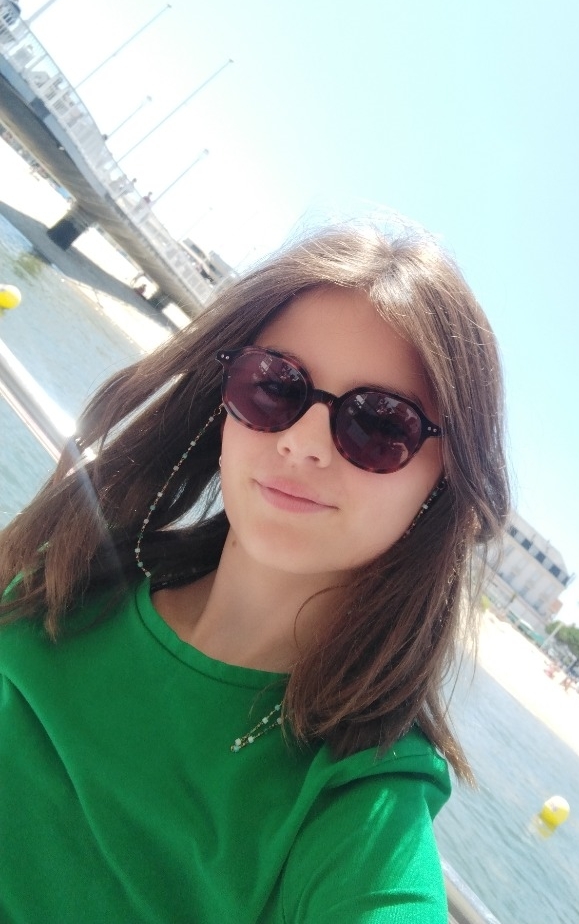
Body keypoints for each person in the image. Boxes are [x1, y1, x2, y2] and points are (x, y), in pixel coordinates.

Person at [0, 221, 510, 923]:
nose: (303, 442)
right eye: (274, 386)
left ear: (442, 483)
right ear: (226, 401)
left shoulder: (358, 793)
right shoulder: (71, 569)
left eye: (379, 425)